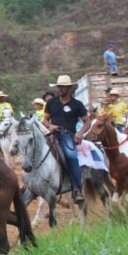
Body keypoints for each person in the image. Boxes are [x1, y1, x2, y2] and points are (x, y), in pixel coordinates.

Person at [43, 75, 91, 205]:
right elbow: (45, 120)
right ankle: (30, 183)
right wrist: (50, 126)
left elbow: (87, 122)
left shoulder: (77, 104)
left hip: (67, 134)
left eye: (63, 87)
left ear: (69, 88)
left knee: (71, 156)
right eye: (59, 87)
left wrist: (80, 133)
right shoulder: (51, 102)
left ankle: (76, 189)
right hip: (52, 133)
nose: (60, 89)